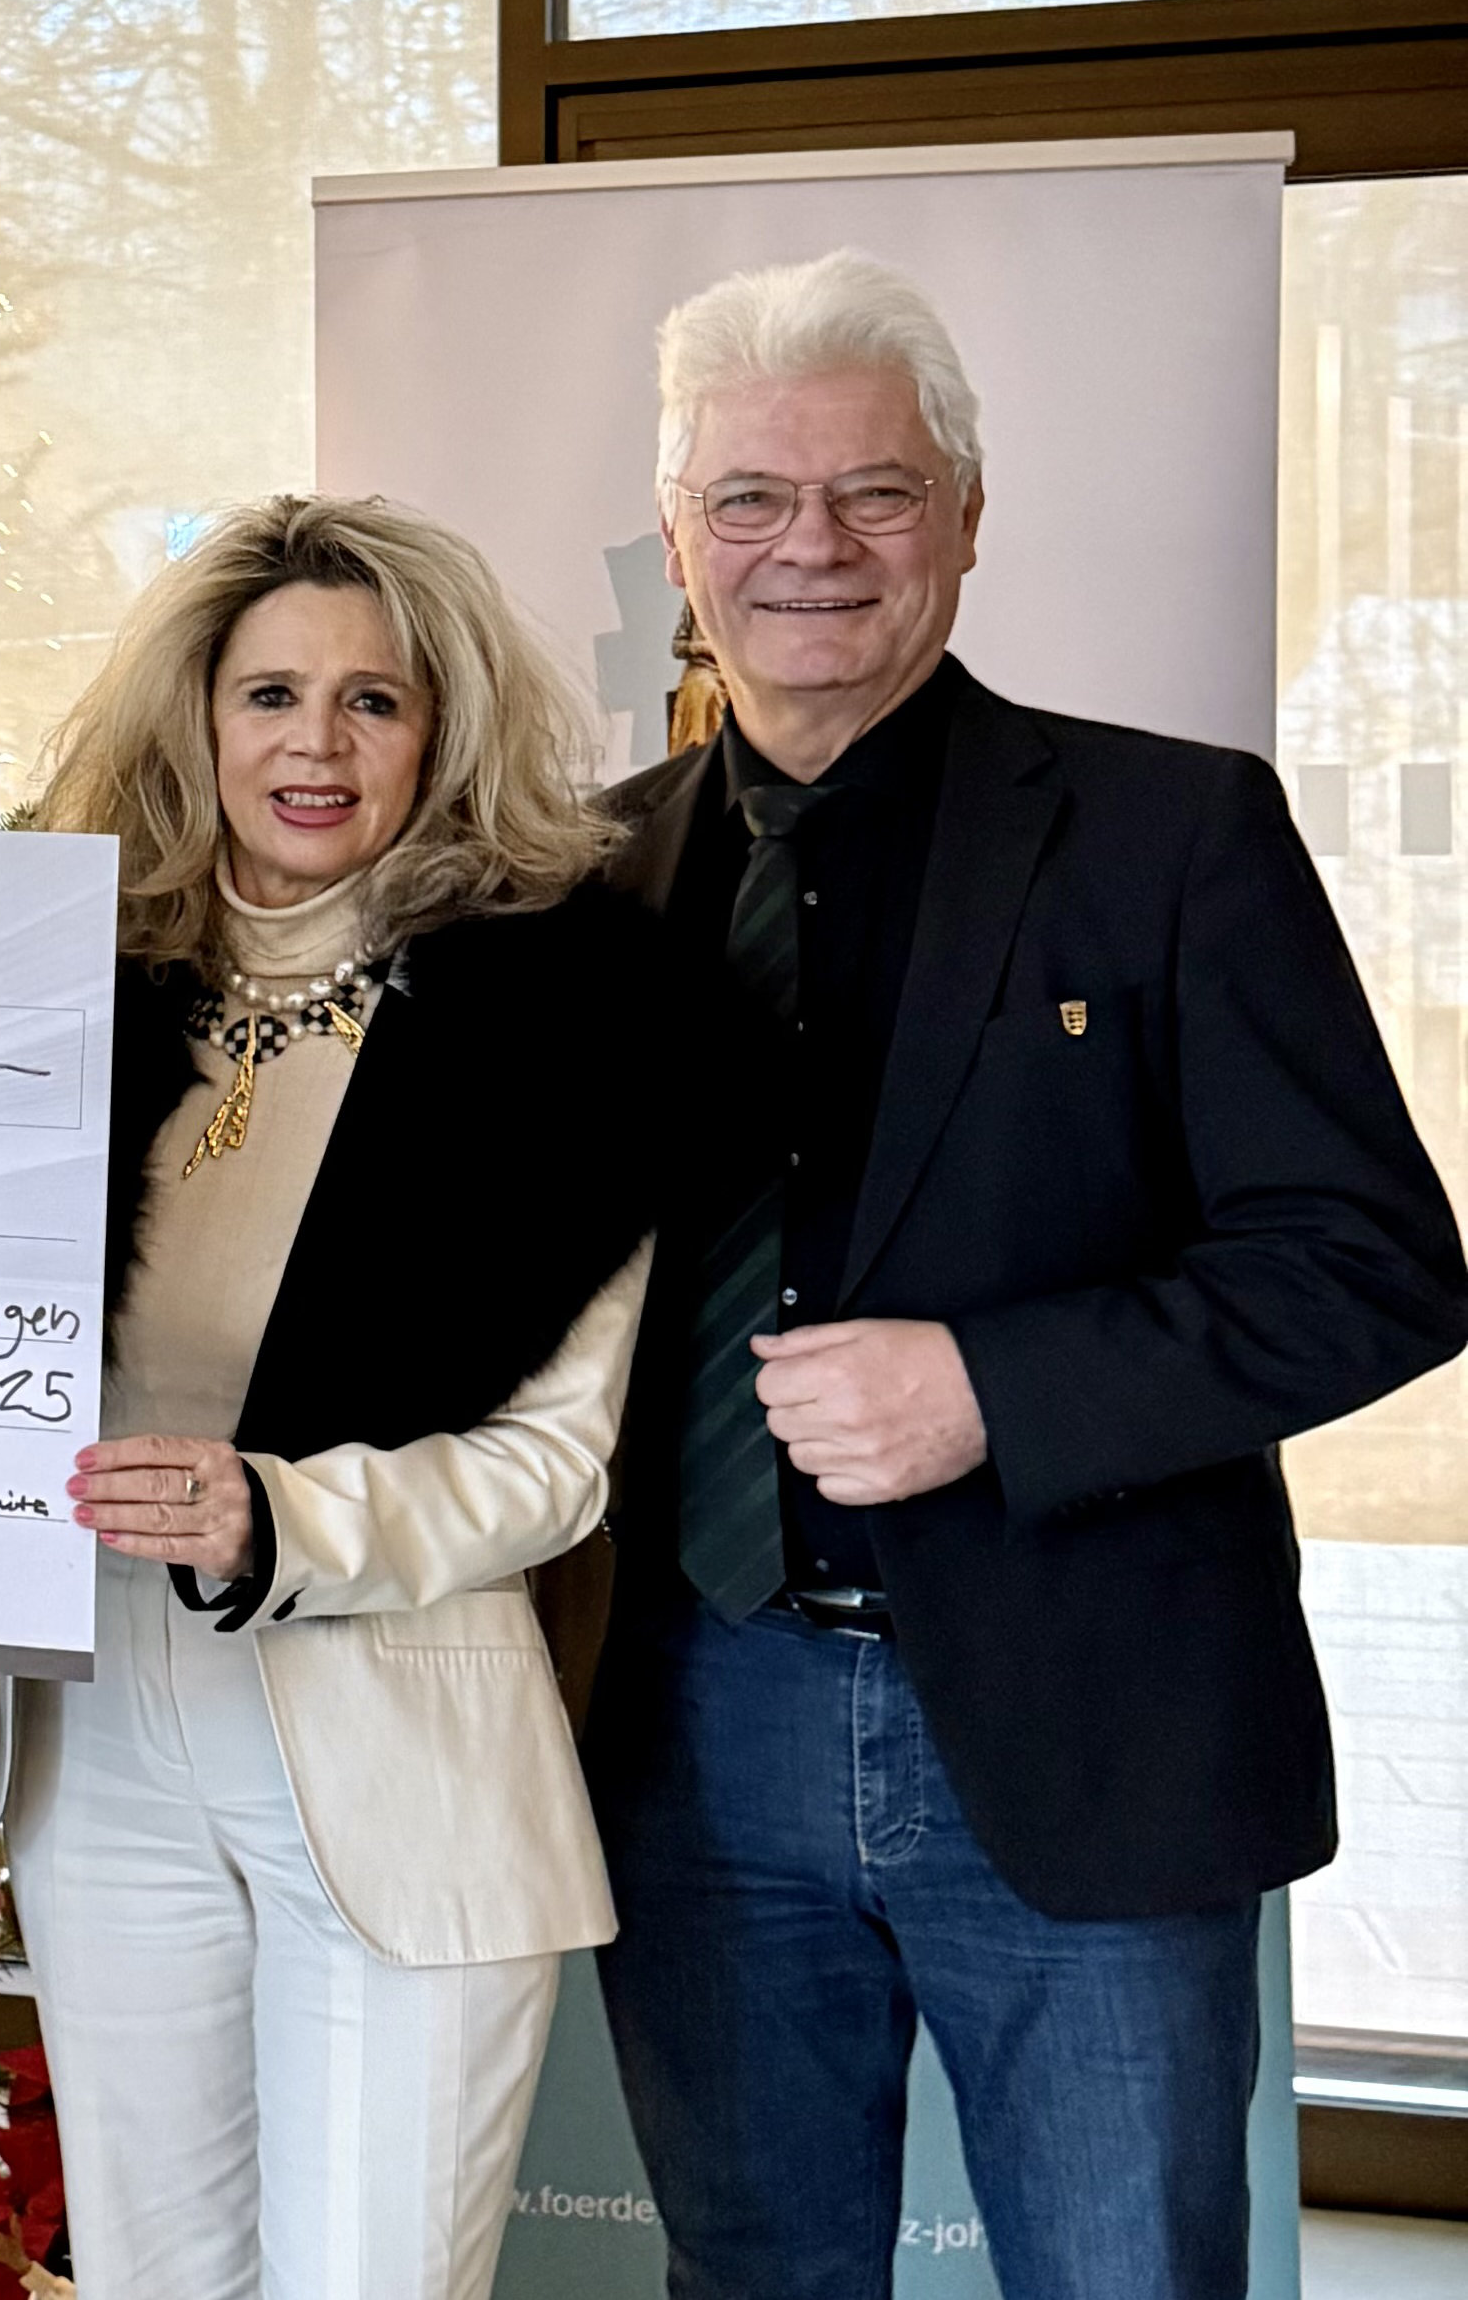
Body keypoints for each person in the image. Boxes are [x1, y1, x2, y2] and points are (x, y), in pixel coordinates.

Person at [591, 250, 1468, 2297]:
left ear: (969, 519)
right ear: (678, 539)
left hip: (1089, 1730)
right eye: (750, 498)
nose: (812, 546)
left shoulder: (1174, 833)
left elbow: (1374, 1265)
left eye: (876, 493)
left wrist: (997, 1387)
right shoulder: (582, 872)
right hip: (696, 1730)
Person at [7, 495, 671, 2300]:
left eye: (373, 702)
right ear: (198, 718)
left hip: (403, 1751)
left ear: (441, 735)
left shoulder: (562, 1021)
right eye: (271, 695)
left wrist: (280, 1517)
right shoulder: (66, 987)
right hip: (97, 1751)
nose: (316, 745)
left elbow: (555, 1464)